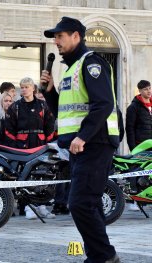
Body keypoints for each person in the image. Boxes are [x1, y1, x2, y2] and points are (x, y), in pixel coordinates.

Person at [41, 16, 121, 263]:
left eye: (59, 36)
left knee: (79, 204)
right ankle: (99, 256)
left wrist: (82, 136)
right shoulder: (70, 69)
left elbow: (104, 103)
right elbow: (67, 112)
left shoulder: (91, 63)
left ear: (76, 36)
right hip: (79, 147)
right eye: (54, 37)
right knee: (91, 204)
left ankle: (104, 256)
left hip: (94, 143)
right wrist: (50, 92)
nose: (56, 41)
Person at [5, 77, 55, 220]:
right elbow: (9, 130)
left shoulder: (43, 106)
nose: (24, 89)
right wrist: (15, 148)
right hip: (22, 147)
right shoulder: (15, 107)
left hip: (40, 145)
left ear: (33, 88)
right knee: (25, 176)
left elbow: (50, 126)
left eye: (27, 87)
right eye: (22, 87)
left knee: (43, 174)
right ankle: (28, 207)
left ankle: (42, 206)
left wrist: (48, 144)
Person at [126, 80, 152, 151]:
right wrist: (133, 148)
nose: (149, 91)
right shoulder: (133, 107)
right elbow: (129, 129)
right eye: (145, 89)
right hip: (141, 146)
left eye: (150, 88)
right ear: (140, 91)